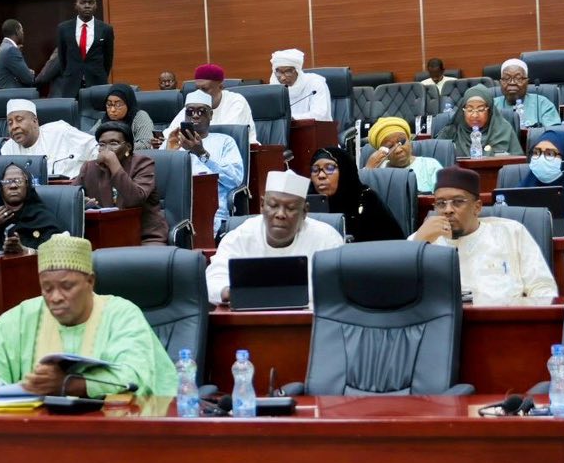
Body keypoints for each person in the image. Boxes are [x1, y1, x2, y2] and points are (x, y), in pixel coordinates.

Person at [0, 234, 174, 400]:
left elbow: (137, 377)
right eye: (47, 288)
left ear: (90, 282)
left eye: (66, 286)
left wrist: (68, 385)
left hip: (118, 437)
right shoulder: (26, 315)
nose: (55, 297)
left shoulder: (122, 314)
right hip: (38, 437)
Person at [409, 166, 558, 302]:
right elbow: (401, 293)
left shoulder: (511, 233)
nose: (448, 210)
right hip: (438, 327)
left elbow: (543, 289)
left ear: (477, 207)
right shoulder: (422, 239)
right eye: (441, 203)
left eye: (457, 202)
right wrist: (418, 244)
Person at [206, 170, 341, 307]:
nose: (280, 214)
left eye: (290, 208)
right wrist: (228, 291)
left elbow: (338, 289)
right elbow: (213, 280)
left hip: (311, 322)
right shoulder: (240, 236)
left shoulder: (327, 238)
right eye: (273, 206)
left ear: (305, 211)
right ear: (262, 205)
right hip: (251, 321)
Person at [79, 120, 167, 244]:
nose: (107, 149)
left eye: (114, 143)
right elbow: (71, 199)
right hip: (101, 237)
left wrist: (113, 163)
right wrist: (83, 202)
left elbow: (134, 199)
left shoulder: (143, 164)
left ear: (128, 147)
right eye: (102, 144)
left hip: (142, 237)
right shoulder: (89, 168)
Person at [162, 91, 245, 214]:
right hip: (175, 210)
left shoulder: (225, 141)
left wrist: (201, 153)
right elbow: (157, 181)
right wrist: (169, 154)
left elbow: (234, 181)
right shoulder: (172, 142)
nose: (195, 116)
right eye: (190, 111)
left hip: (211, 211)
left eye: (201, 111)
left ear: (210, 115)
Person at [307, 145, 404, 242]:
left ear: (345, 171)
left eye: (329, 168)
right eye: (315, 170)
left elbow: (391, 247)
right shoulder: (306, 205)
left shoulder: (367, 201)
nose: (321, 175)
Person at [0, 163, 64, 253]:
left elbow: (58, 253)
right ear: (0, 187)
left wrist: (24, 250)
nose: (13, 186)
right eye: (7, 182)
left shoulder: (42, 218)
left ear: (27, 185)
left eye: (18, 181)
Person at [38, 0, 113, 99]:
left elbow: (108, 59)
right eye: (83, 2)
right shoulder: (63, 28)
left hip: (97, 83)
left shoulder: (106, 29)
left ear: (96, 5)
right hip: (71, 85)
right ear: (76, 5)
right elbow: (62, 58)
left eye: (90, 2)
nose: (87, 5)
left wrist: (97, 74)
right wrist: (70, 74)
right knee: (72, 115)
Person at [1, 97, 98, 181]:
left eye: (19, 120)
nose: (14, 126)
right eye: (10, 123)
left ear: (35, 121)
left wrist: (85, 179)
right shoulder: (7, 149)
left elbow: (96, 149)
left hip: (70, 192)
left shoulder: (60, 132)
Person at [437, 85, 523, 159]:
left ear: (490, 111)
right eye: (469, 109)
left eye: (481, 109)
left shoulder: (504, 129)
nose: (474, 115)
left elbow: (518, 161)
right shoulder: (451, 132)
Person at [365, 116, 442, 194]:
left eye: (402, 142)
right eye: (389, 146)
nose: (398, 150)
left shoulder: (430, 165)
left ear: (409, 141)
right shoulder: (378, 171)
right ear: (382, 151)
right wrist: (368, 170)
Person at [165, 64, 253, 131]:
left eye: (204, 89)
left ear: (221, 87)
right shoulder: (194, 101)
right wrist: (163, 139)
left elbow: (229, 134)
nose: (199, 93)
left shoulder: (236, 101)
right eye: (197, 89)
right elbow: (172, 130)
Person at [495, 59, 561, 131]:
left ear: (527, 82)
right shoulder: (492, 105)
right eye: (507, 78)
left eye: (518, 78)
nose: (512, 82)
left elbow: (554, 133)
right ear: (501, 82)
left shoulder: (542, 104)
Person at [272, 50, 331, 121]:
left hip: (314, 129)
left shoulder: (315, 83)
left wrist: (292, 118)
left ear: (297, 70)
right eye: (279, 72)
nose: (283, 78)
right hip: (284, 130)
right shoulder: (274, 86)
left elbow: (320, 115)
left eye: (287, 72)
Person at [100, 84, 159, 151]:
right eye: (109, 104)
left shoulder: (140, 116)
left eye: (118, 105)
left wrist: (119, 149)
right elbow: (92, 141)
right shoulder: (105, 119)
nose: (112, 110)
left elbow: (145, 144)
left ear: (128, 104)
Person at [0, 19, 39, 91]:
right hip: (16, 97)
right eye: (22, 30)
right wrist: (31, 73)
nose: (23, 33)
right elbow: (28, 78)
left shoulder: (4, 47)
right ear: (17, 31)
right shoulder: (11, 50)